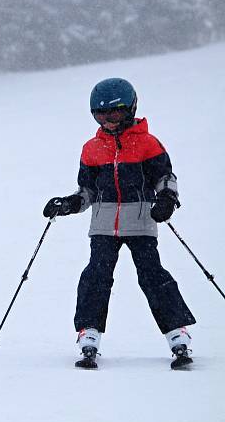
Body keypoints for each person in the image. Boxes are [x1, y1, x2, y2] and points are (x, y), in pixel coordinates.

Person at [43, 78, 196, 370]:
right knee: (96, 278)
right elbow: (86, 192)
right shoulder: (91, 149)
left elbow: (165, 179)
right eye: (101, 115)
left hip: (140, 223)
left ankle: (178, 333)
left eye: (114, 114)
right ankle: (89, 333)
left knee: (152, 276)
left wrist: (166, 200)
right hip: (103, 226)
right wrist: (68, 203)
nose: (109, 121)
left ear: (130, 109)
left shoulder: (148, 144)